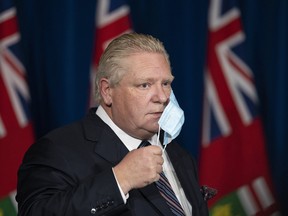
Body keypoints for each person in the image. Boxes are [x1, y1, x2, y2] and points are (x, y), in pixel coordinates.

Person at [16, 33, 209, 216]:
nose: (163, 97)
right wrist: (120, 179)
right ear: (107, 91)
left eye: (165, 83)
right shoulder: (57, 151)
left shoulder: (178, 153)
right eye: (145, 85)